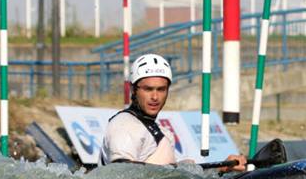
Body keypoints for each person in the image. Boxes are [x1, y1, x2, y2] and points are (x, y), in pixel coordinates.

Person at [100, 53, 247, 171]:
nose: (155, 97)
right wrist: (173, 170)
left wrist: (221, 167)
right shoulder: (124, 125)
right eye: (148, 89)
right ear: (133, 90)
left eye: (161, 89)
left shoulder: (162, 132)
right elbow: (120, 171)